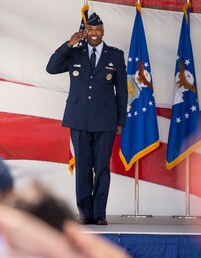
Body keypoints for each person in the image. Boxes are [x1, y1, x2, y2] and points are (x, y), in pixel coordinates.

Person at [46, 12, 127, 225]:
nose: (94, 33)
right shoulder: (75, 53)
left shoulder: (115, 55)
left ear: (103, 32)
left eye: (98, 29)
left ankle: (99, 214)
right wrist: (69, 43)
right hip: (79, 118)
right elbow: (51, 68)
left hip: (105, 120)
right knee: (82, 167)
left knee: (101, 167)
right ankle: (85, 213)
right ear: (86, 31)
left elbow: (122, 91)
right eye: (90, 29)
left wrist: (120, 122)